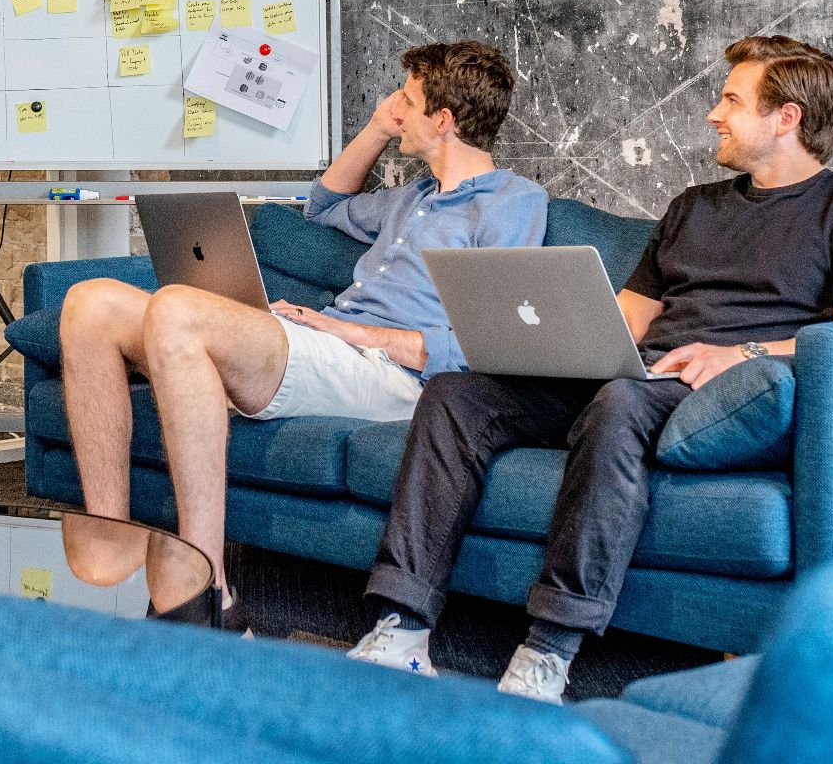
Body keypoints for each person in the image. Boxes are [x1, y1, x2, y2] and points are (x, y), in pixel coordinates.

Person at [349, 35, 833, 702]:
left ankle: (548, 650)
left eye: (732, 100)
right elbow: (623, 323)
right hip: (641, 376)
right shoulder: (694, 207)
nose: (713, 112)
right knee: (455, 393)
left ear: (786, 117)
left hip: (732, 392)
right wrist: (545, 343)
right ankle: (402, 628)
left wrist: (741, 353)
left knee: (619, 400)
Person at [59, 41, 548, 628]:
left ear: (442, 121)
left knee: (178, 310)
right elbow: (323, 205)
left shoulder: (511, 203)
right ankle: (112, 533)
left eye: (407, 101)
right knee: (90, 304)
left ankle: (209, 589)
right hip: (331, 349)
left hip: (393, 377)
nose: (394, 107)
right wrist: (374, 128)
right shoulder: (412, 199)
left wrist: (354, 331)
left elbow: (489, 344)